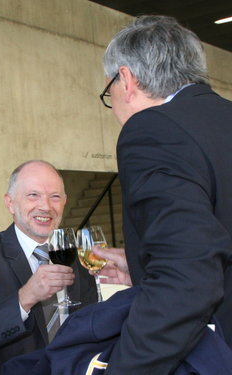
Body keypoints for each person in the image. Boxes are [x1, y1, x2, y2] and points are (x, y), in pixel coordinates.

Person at [92, 15, 232, 374]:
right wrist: (143, 263)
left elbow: (188, 276)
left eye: (109, 90)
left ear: (126, 79)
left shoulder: (151, 129)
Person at [0, 160, 97, 375]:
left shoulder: (78, 256)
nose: (46, 206)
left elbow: (90, 326)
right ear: (10, 203)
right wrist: (25, 297)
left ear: (65, 202)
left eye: (55, 196)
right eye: (33, 195)